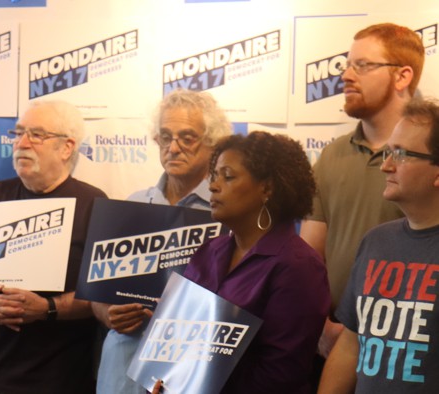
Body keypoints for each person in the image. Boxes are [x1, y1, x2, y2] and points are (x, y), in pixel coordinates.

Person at [92, 89, 232, 394]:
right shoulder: (134, 204)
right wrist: (108, 314)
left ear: (213, 144)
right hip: (122, 369)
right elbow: (99, 295)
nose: (173, 147)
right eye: (165, 137)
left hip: (190, 370)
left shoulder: (228, 214)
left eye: (187, 138)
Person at [300, 23, 426, 360]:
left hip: (409, 346)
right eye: (347, 65)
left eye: (363, 65)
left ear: (402, 77)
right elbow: (308, 257)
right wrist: (323, 328)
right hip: (331, 341)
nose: (346, 76)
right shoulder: (331, 155)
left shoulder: (429, 161)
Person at [0, 100, 106, 394]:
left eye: (37, 135)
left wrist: (47, 308)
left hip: (60, 382)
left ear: (67, 147)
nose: (21, 143)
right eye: (18, 133)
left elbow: (99, 297)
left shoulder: (94, 204)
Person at [181, 131, 330, 392]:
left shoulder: (299, 267)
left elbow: (280, 374)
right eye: (214, 176)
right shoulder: (208, 251)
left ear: (267, 188)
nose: (213, 186)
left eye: (227, 176)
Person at [319, 98, 439, 393]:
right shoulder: (376, 241)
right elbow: (350, 343)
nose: (385, 166)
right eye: (388, 152)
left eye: (400, 154)